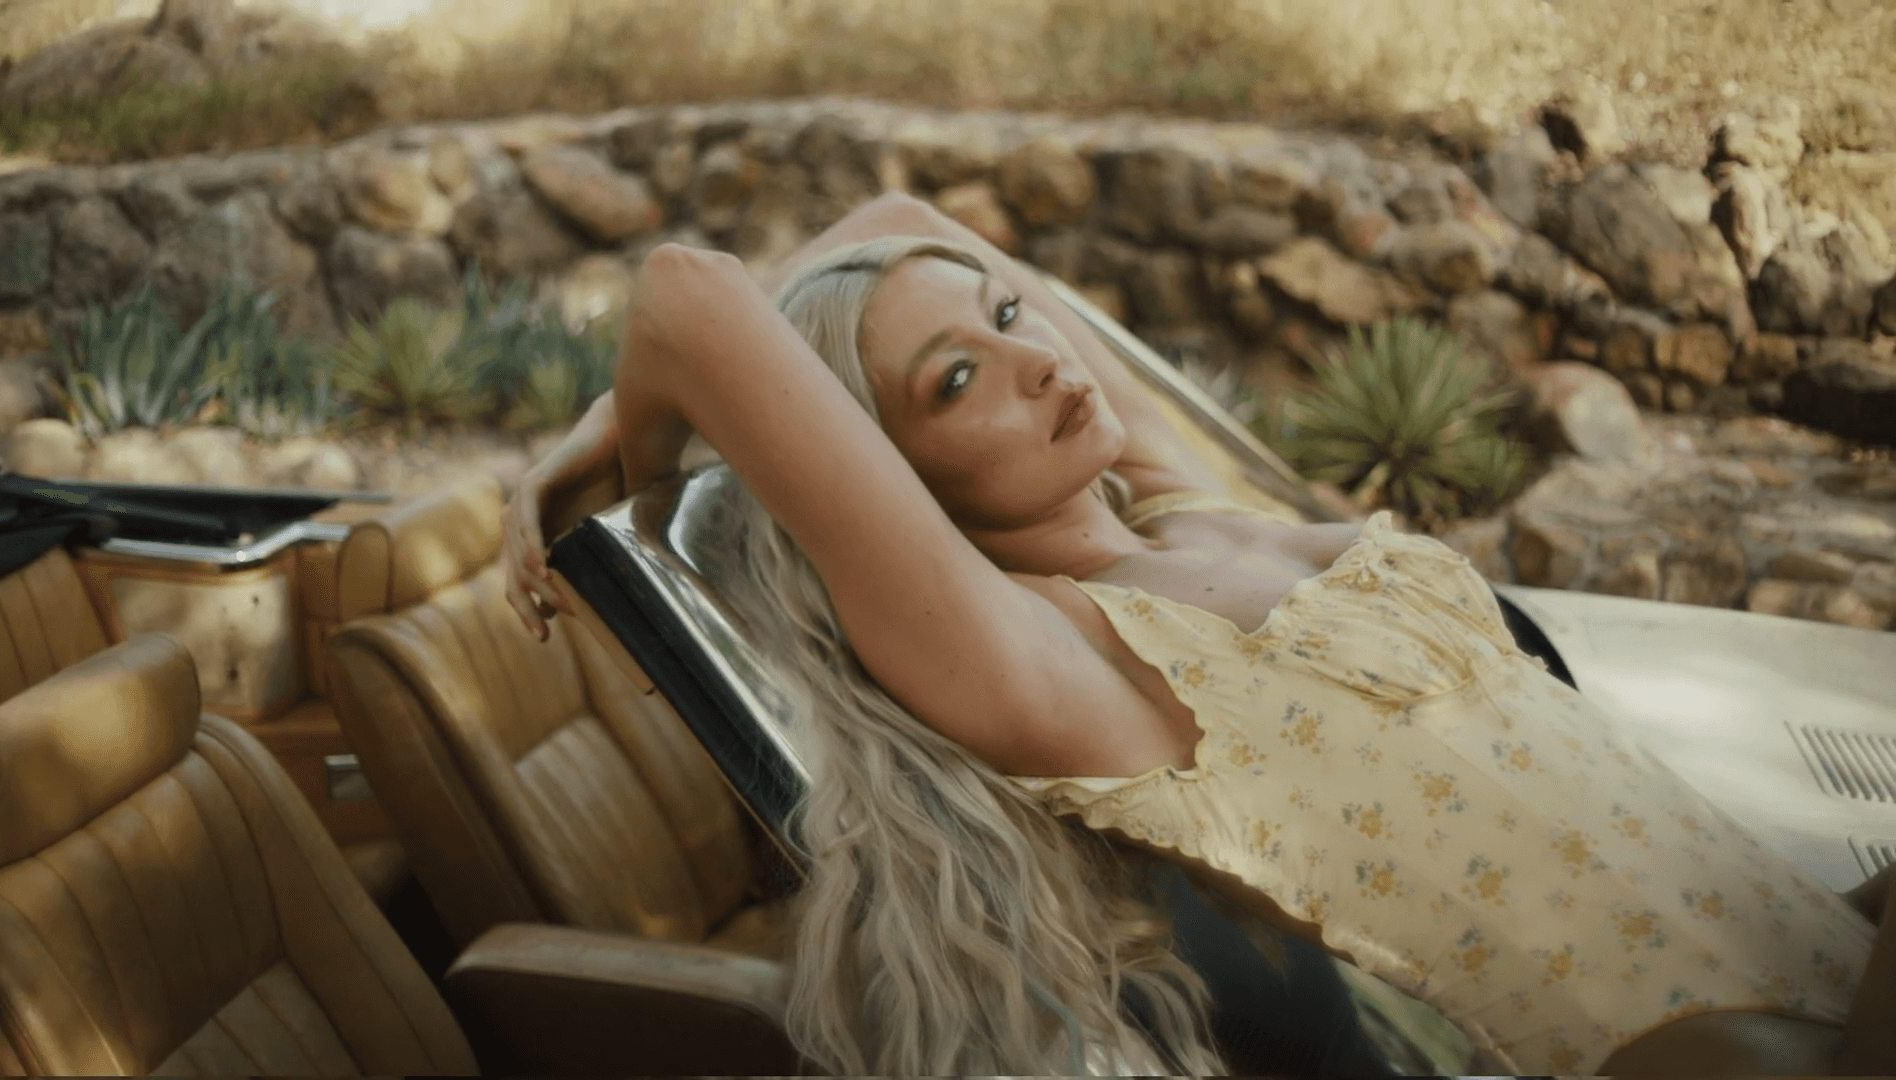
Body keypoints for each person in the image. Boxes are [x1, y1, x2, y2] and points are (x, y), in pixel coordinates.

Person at [503, 192, 1895, 1076]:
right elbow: (687, 295)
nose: (1042, 355)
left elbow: (896, 209)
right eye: (958, 379)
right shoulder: (1062, 666)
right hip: (1699, 1057)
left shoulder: (1190, 512)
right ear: (894, 487)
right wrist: (609, 456)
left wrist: (905, 307)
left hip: (1806, 959)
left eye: (1007, 316)